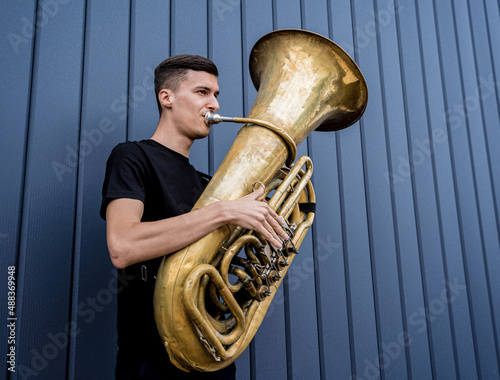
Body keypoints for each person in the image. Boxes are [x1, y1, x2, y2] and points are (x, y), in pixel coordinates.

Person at [100, 54, 288, 379]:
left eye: (216, 95)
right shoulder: (133, 157)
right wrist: (224, 212)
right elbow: (123, 245)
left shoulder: (207, 184)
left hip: (213, 356)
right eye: (202, 92)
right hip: (153, 361)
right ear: (167, 97)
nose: (214, 104)